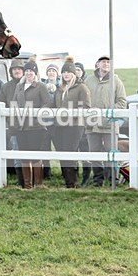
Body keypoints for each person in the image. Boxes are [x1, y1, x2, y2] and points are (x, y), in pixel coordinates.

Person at [85, 55, 127, 187]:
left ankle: (113, 180)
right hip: (92, 124)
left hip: (109, 124)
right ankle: (98, 181)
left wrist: (109, 112)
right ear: (97, 64)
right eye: (103, 62)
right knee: (94, 152)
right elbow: (84, 100)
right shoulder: (88, 80)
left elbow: (122, 101)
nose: (106, 64)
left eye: (108, 62)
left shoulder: (116, 81)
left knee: (111, 152)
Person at [51, 58, 91, 188]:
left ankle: (72, 182)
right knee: (62, 152)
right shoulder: (59, 88)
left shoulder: (81, 88)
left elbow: (86, 106)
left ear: (73, 74)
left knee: (70, 152)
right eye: (64, 72)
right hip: (59, 125)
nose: (66, 74)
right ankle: (67, 181)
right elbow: (54, 105)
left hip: (75, 125)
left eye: (68, 72)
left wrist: (71, 113)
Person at [11, 61, 50, 188]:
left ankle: (38, 184)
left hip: (36, 127)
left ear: (35, 73)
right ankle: (27, 185)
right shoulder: (19, 86)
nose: (28, 73)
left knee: (35, 155)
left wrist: (37, 114)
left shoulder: (41, 86)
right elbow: (14, 103)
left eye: (31, 71)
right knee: (24, 156)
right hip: (21, 127)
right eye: (27, 71)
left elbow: (46, 103)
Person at [0, 58, 26, 186]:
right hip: (13, 126)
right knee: (16, 153)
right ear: (11, 71)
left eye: (19, 69)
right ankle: (21, 180)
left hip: (28, 127)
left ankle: (31, 180)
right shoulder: (6, 87)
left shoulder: (29, 84)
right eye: (14, 69)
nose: (17, 71)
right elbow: (1, 104)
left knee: (29, 153)